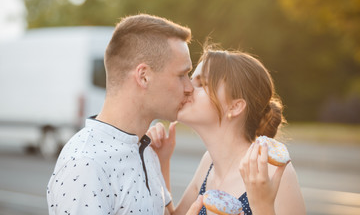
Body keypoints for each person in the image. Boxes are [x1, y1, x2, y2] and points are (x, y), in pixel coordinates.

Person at [47, 14, 204, 215]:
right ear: (144, 76)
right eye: (181, 75)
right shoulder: (86, 164)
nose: (189, 87)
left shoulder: (145, 149)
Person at [147, 46, 306, 215]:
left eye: (202, 84)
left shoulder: (272, 172)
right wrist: (160, 162)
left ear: (235, 106)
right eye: (190, 80)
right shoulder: (208, 163)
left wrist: (262, 207)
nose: (186, 88)